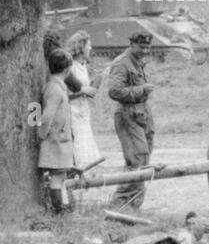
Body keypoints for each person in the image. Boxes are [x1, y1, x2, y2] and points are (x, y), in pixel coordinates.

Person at [107, 32, 156, 209]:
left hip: (141, 113)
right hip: (128, 115)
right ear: (132, 44)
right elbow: (114, 91)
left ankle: (133, 206)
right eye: (141, 47)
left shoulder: (137, 61)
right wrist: (140, 89)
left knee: (144, 159)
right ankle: (119, 206)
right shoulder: (122, 63)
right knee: (136, 160)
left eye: (147, 47)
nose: (145, 50)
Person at [38, 48, 77, 212]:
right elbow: (47, 117)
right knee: (57, 176)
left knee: (59, 176)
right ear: (67, 69)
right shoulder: (55, 89)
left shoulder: (57, 87)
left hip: (60, 139)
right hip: (56, 140)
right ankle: (58, 208)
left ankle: (60, 206)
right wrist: (42, 134)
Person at [65, 30, 102, 170]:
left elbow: (83, 88)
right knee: (77, 143)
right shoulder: (70, 67)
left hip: (83, 110)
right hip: (72, 111)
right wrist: (83, 91)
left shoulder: (83, 66)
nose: (90, 48)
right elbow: (64, 92)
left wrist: (94, 85)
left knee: (85, 141)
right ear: (81, 47)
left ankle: (85, 173)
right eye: (89, 45)